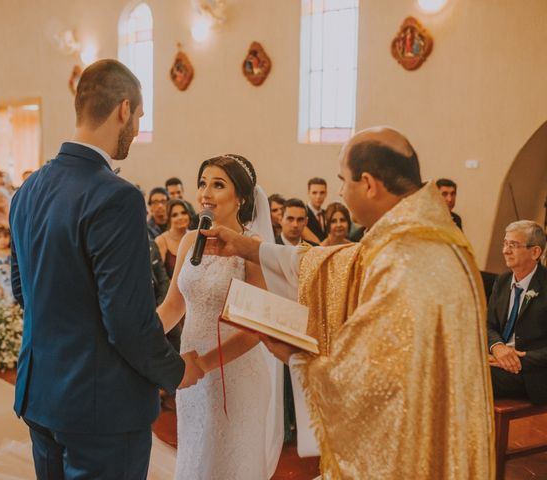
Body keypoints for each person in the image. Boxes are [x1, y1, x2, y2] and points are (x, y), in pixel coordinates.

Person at [203, 127, 493, 478]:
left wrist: (297, 357)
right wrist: (246, 247)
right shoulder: (415, 237)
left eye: (343, 180)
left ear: (369, 184)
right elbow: (337, 265)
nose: (340, 190)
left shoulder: (409, 259)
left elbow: (376, 381)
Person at [9, 59, 203, 480]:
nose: (136, 128)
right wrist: (176, 371)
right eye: (139, 118)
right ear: (123, 109)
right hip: (100, 408)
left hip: (39, 392)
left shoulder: (27, 189)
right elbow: (126, 320)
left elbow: (22, 291)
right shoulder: (115, 196)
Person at [156, 154, 283, 479]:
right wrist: (137, 339)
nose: (205, 193)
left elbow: (256, 329)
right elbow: (173, 306)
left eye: (217, 185)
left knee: (230, 463)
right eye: (202, 183)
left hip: (235, 373)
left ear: (240, 197)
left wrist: (205, 363)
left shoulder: (252, 248)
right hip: (191, 375)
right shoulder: (189, 241)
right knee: (197, 456)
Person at [488, 220, 547, 405]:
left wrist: (517, 359)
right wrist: (498, 347)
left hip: (532, 373)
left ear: (535, 252)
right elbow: (488, 325)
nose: (506, 250)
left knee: (473, 376)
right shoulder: (503, 280)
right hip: (498, 359)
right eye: (505, 244)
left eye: (513, 245)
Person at [155, 199, 192, 279]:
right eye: (174, 215)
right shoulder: (161, 240)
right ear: (168, 219)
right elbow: (158, 276)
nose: (180, 217)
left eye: (184, 213)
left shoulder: (195, 237)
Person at [303, 177, 328, 243]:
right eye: (314, 193)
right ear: (308, 193)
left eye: (322, 193)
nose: (318, 196)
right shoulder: (302, 214)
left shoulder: (327, 214)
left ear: (326, 194)